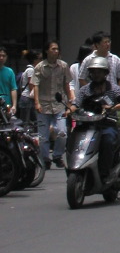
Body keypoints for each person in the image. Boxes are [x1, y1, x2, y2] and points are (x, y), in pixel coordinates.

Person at [78, 55, 120, 183]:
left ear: (105, 73)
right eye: (93, 72)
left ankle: (105, 173)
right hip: (87, 125)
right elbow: (75, 103)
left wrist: (112, 108)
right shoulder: (85, 90)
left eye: (99, 71)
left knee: (107, 139)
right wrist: (69, 110)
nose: (96, 74)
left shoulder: (114, 88)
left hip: (107, 125)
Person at [32, 40, 73, 169]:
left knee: (62, 132)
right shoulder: (40, 67)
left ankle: (57, 155)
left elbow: (67, 85)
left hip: (59, 104)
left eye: (57, 49)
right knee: (43, 136)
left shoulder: (63, 66)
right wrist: (37, 102)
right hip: (44, 104)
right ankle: (45, 159)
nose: (56, 51)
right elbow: (36, 85)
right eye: (53, 49)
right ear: (47, 51)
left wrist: (69, 102)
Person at [17, 49, 41, 128]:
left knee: (32, 121)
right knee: (25, 122)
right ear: (35, 60)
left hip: (27, 98)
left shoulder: (30, 69)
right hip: (27, 98)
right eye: (39, 59)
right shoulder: (31, 70)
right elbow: (32, 86)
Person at [0, 46, 17, 116]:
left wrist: (14, 105)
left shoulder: (10, 71)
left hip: (7, 104)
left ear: (6, 57)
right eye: (0, 56)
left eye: (3, 56)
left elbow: (13, 89)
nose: (1, 58)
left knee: (8, 123)